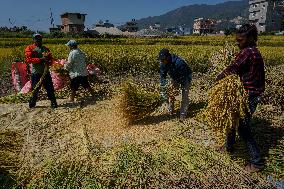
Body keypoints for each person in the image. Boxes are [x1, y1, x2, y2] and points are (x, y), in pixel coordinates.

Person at [216, 24, 265, 173]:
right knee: (232, 119)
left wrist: (218, 78)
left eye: (240, 40)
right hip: (249, 92)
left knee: (243, 128)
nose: (237, 43)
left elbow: (233, 68)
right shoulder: (254, 51)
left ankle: (257, 163)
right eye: (236, 40)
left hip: (250, 94)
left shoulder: (248, 52)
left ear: (250, 38)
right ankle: (229, 147)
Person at [158, 48, 192, 121]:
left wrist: (178, 87)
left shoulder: (179, 63)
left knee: (185, 96)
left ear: (168, 57)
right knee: (171, 93)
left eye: (163, 60)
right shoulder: (163, 63)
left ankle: (183, 114)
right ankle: (170, 110)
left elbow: (184, 76)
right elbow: (162, 76)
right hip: (174, 77)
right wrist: (163, 86)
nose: (162, 61)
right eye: (161, 60)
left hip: (185, 76)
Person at [25, 33, 58, 108]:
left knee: (50, 88)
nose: (38, 40)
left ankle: (53, 102)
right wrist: (41, 59)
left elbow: (51, 59)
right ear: (33, 40)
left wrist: (48, 61)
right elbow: (29, 60)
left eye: (39, 38)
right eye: (36, 38)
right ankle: (32, 103)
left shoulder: (46, 48)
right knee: (35, 88)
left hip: (45, 72)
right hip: (36, 73)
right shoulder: (30, 48)